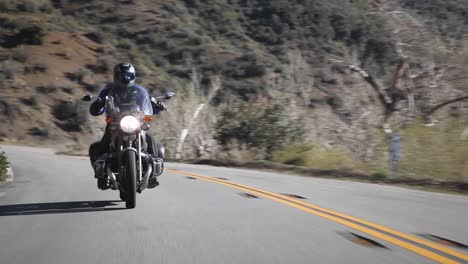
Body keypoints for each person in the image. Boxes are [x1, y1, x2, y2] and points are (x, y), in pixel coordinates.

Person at [88, 62, 166, 189]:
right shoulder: (108, 90)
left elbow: (148, 104)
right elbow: (97, 109)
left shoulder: (139, 90)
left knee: (154, 144)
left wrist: (157, 105)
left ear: (133, 76)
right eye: (122, 75)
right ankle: (101, 177)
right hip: (116, 121)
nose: (125, 78)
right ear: (116, 76)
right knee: (98, 148)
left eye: (128, 75)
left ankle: (152, 176)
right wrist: (98, 103)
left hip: (136, 120)